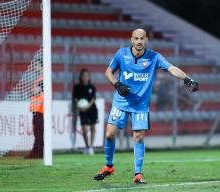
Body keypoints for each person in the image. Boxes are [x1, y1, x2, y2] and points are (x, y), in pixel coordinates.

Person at [93, 29, 199, 184]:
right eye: (136, 38)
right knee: (109, 134)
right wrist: (117, 84)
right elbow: (108, 72)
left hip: (141, 105)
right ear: (131, 40)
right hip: (121, 102)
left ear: (146, 40)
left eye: (142, 38)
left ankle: (138, 174)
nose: (139, 41)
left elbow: (171, 68)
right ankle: (108, 166)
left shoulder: (153, 56)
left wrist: (187, 79)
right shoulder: (121, 54)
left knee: (138, 136)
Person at [72, 68, 98, 155]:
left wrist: (87, 106)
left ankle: (91, 147)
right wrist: (80, 107)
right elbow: (75, 99)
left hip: (92, 109)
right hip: (82, 110)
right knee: (84, 129)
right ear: (81, 77)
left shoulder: (92, 87)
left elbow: (93, 99)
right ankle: (87, 146)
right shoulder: (77, 87)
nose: (85, 78)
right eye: (84, 76)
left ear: (89, 77)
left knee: (93, 127)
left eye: (87, 76)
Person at [26, 59, 44, 159]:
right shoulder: (40, 79)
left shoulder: (42, 79)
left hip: (40, 109)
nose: (35, 67)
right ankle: (38, 151)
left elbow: (38, 92)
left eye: (36, 65)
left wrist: (32, 90)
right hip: (37, 108)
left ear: (42, 66)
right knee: (38, 131)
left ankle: (37, 152)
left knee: (38, 131)